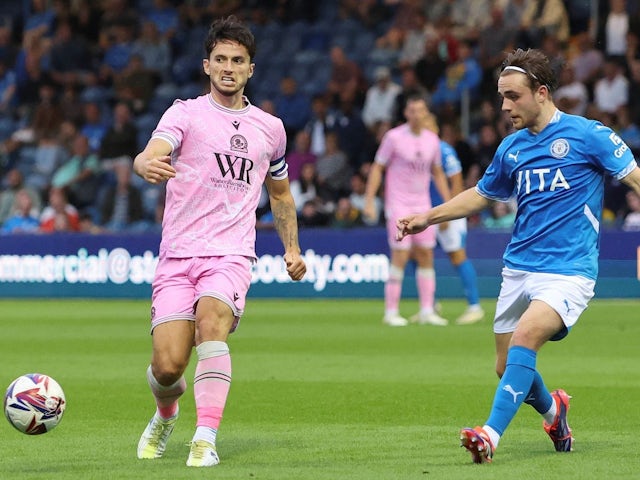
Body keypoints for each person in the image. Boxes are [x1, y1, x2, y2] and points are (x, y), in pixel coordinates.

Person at [396, 48, 640, 463]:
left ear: (541, 93)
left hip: (569, 270)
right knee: (505, 366)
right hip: (519, 268)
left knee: (526, 339)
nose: (505, 106)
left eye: (513, 96)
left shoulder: (588, 135)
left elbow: (636, 178)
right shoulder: (511, 148)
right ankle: (553, 411)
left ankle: (489, 435)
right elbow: (481, 195)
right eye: (501, 96)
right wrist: (428, 217)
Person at [133, 16, 306, 468]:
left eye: (239, 61)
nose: (229, 67)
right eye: (221, 59)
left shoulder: (271, 128)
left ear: (251, 69)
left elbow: (280, 192)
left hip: (230, 254)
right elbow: (153, 151)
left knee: (212, 324)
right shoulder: (184, 113)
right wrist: (143, 163)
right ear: (206, 65)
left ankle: (205, 439)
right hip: (177, 254)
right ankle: (165, 414)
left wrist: (292, 247)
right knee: (168, 366)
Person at [364, 95, 451, 327]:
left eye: (420, 110)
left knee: (426, 255)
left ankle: (426, 310)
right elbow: (377, 168)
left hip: (423, 206)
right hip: (398, 205)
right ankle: (391, 311)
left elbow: (438, 173)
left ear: (426, 113)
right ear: (406, 113)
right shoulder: (393, 138)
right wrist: (370, 199)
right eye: (412, 110)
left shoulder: (432, 139)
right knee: (400, 256)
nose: (416, 114)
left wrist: (448, 204)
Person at [425, 113, 484, 325]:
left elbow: (457, 181)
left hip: (447, 212)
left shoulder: (443, 149)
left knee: (457, 256)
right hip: (427, 211)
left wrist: (449, 212)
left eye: (427, 124)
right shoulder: (422, 149)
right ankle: (429, 304)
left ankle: (474, 306)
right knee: (418, 255)